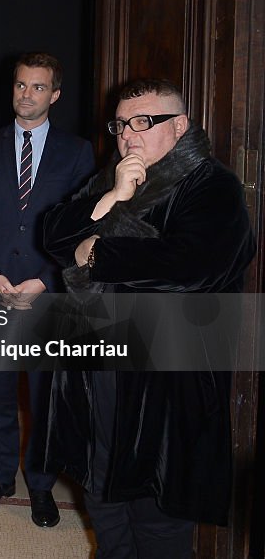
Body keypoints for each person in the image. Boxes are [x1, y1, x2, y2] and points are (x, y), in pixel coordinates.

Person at [43, 79, 255, 557]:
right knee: (103, 499)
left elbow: (193, 266)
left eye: (144, 122)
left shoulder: (211, 184)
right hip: (101, 365)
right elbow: (55, 235)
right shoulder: (111, 178)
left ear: (179, 126)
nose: (128, 136)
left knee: (157, 516)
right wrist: (112, 198)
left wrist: (96, 252)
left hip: (166, 382)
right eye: (121, 125)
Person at [0, 52, 94, 526]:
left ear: (55, 94)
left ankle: (40, 486)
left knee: (42, 399)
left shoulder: (77, 152)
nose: (27, 95)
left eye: (38, 87)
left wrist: (43, 279)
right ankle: (0, 478)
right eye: (20, 85)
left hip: (46, 293)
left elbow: (80, 228)